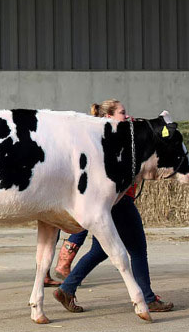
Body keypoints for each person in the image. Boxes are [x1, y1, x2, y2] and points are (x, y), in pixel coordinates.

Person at [53, 99, 173, 313]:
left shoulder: (101, 138)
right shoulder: (114, 140)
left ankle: (67, 288)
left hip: (108, 201)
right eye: (122, 113)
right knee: (138, 249)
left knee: (100, 251)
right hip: (119, 200)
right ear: (108, 117)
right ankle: (148, 298)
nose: (127, 116)